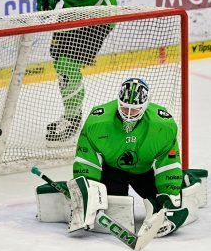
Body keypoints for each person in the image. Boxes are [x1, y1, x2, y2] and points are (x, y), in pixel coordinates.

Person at [72, 78, 199, 236]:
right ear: (118, 102)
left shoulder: (163, 126)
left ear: (145, 105)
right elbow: (86, 161)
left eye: (135, 109)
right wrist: (87, 193)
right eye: (125, 108)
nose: (129, 114)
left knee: (166, 200)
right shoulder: (97, 121)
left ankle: (184, 182)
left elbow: (168, 165)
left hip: (145, 171)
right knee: (115, 211)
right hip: (112, 171)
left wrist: (169, 198)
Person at [30, 0, 116, 141]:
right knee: (59, 58)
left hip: (98, 14)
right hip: (74, 11)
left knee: (67, 63)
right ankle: (72, 114)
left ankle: (72, 117)